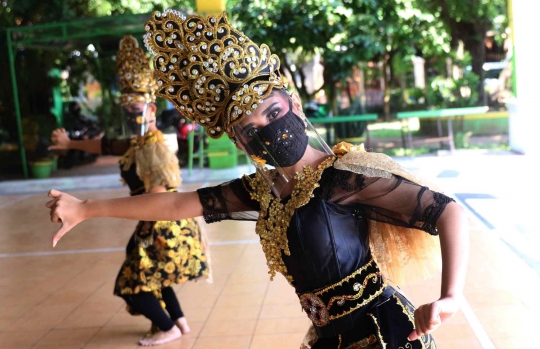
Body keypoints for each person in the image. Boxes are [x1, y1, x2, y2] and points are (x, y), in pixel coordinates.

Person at [47, 11, 469, 349]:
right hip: (329, 338)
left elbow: (447, 212)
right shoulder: (263, 191)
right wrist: (87, 208)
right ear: (239, 141)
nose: (268, 130)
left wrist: (449, 296)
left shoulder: (342, 178)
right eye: (251, 129)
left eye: (272, 112)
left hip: (383, 335)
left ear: (293, 102)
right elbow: (177, 205)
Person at [49, 35, 210, 347]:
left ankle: (168, 327)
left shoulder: (155, 148)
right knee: (155, 278)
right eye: (125, 108)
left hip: (162, 225)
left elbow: (160, 199)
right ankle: (180, 323)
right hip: (153, 223)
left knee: (131, 283)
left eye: (134, 107)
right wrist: (70, 144)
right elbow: (105, 144)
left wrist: (102, 210)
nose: (129, 113)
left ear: (150, 108)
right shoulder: (137, 142)